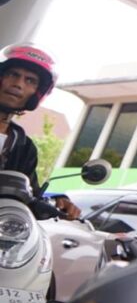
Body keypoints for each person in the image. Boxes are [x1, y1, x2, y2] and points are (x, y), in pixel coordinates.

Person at [0, 44, 81, 220]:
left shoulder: (23, 146)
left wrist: (56, 201)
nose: (18, 84)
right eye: (13, 74)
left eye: (30, 80)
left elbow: (29, 195)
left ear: (37, 92)